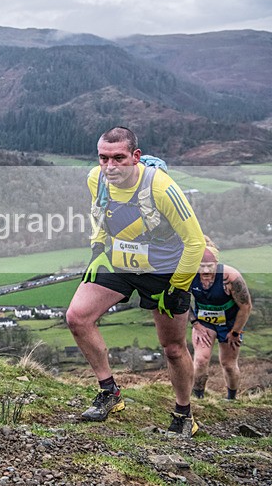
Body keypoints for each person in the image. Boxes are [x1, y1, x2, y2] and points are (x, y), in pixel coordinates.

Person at [65, 126, 205, 436]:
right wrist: (98, 249)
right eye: (103, 158)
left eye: (118, 158)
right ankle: (109, 393)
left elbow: (195, 242)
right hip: (121, 263)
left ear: (135, 156)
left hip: (165, 272)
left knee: (172, 348)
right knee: (77, 317)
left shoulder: (161, 187)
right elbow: (98, 214)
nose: (110, 166)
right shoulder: (96, 178)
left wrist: (179, 285)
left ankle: (184, 415)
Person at [190, 238, 253, 400]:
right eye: (201, 265)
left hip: (230, 324)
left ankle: (231, 399)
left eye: (209, 266)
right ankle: (198, 397)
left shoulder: (230, 277)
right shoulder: (188, 275)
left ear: (216, 263)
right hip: (204, 323)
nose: (205, 271)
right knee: (201, 360)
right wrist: (195, 323)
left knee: (228, 364)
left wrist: (235, 332)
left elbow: (245, 306)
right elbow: (179, 300)